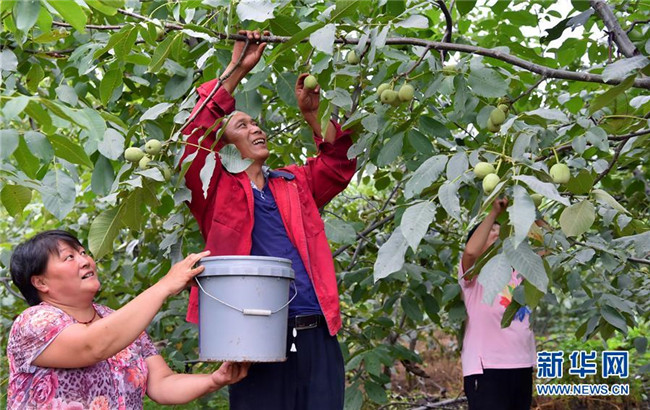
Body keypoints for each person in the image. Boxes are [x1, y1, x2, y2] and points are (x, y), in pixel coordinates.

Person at [180, 30, 357, 410]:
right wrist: (237, 67)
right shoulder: (213, 187)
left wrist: (313, 114)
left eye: (255, 123)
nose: (256, 128)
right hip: (253, 335)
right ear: (222, 147)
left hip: (317, 332)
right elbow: (193, 134)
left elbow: (338, 165)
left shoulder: (294, 182)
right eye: (241, 126)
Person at [7, 230, 250, 409]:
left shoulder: (116, 321)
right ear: (41, 282)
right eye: (69, 257)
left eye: (83, 252)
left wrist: (214, 380)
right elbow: (92, 346)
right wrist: (164, 286)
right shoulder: (33, 323)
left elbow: (162, 383)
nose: (85, 260)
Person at [459, 198, 536, 410]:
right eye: (491, 230)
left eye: (500, 230)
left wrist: (530, 208)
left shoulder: (520, 271)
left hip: (521, 365)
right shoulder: (473, 275)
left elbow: (549, 246)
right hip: (487, 367)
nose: (496, 233)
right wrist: (493, 213)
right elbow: (471, 252)